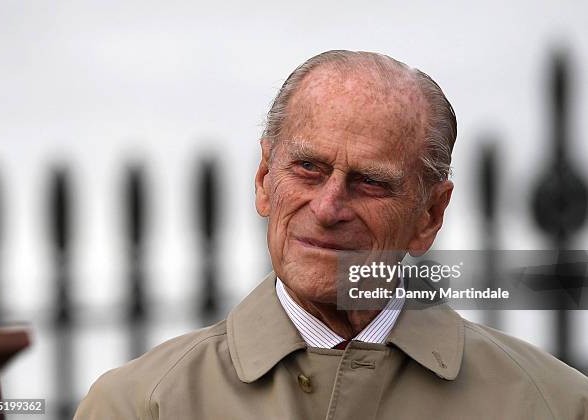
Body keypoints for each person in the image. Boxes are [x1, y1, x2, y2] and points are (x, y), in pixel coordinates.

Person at [74, 50, 588, 419]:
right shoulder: (140, 405)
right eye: (307, 169)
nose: (327, 208)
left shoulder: (556, 404)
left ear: (430, 215)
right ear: (263, 181)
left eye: (369, 182)